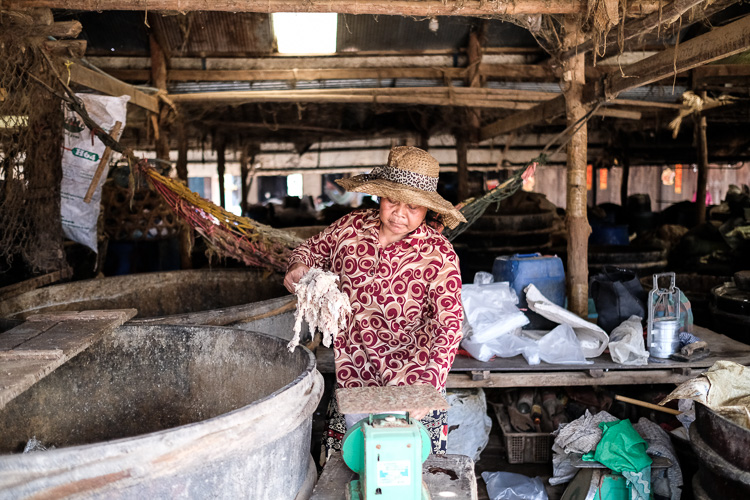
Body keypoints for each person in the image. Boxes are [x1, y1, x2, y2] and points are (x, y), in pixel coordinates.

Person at [283, 146, 467, 462]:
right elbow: (310, 250)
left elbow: (449, 325)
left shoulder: (439, 255)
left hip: (412, 382)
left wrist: (430, 383)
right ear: (378, 197)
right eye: (392, 201)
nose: (400, 213)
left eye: (413, 207)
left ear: (427, 210)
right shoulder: (350, 228)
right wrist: (297, 266)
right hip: (354, 374)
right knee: (350, 468)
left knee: (405, 472)